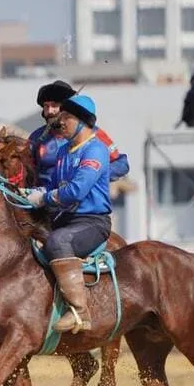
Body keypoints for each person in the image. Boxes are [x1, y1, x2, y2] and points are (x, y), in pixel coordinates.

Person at [24, 94, 113, 334]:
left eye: (67, 118)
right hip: (63, 220)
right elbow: (52, 188)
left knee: (58, 241)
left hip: (92, 223)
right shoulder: (64, 150)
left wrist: (43, 198)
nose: (61, 122)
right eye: (61, 117)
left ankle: (80, 312)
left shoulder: (96, 150)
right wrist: (26, 194)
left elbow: (75, 191)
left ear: (84, 122)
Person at [29, 80, 130, 187]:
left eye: (54, 105)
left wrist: (90, 175)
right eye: (46, 106)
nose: (49, 111)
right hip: (45, 199)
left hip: (81, 198)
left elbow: (122, 164)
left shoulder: (91, 133)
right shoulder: (37, 137)